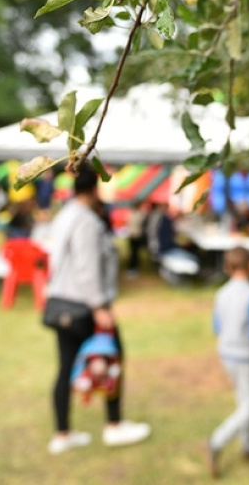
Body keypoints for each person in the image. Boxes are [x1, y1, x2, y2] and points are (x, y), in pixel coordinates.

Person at [45, 165, 150, 453]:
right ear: (93, 190)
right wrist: (99, 306)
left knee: (66, 367)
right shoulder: (86, 222)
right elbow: (87, 267)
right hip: (85, 305)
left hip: (61, 301)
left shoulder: (65, 215)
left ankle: (62, 434)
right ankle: (114, 426)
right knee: (112, 357)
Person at [205, 247, 249, 477]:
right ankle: (215, 442)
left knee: (244, 400)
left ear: (227, 267)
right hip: (245, 356)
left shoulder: (221, 293)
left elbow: (217, 326)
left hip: (226, 354)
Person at [125, 201, 151, 277]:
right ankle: (133, 268)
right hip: (135, 235)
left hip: (135, 235)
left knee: (135, 253)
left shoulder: (133, 214)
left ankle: (134, 268)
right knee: (134, 254)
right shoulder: (139, 214)